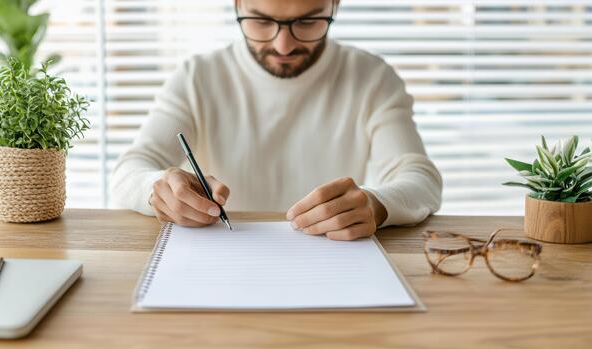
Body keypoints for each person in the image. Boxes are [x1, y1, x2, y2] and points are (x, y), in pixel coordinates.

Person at [111, 0, 442, 241]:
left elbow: (419, 178)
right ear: (237, 5)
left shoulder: (371, 77)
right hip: (224, 260)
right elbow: (130, 169)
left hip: (332, 264)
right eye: (261, 21)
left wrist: (376, 204)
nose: (283, 45)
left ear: (335, 6)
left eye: (308, 22)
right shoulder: (197, 77)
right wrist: (157, 191)